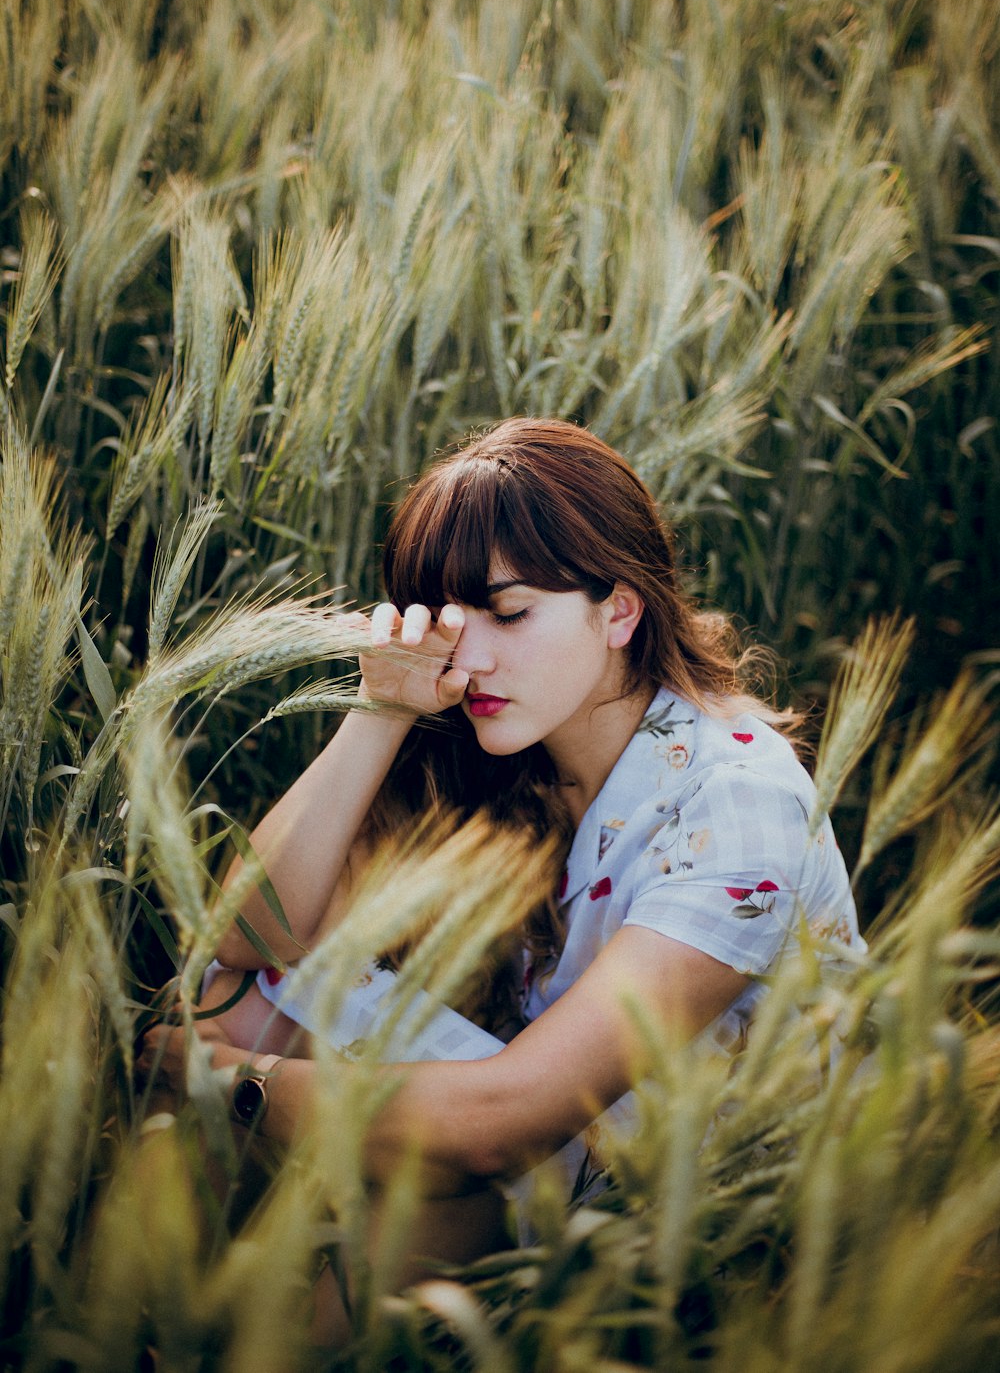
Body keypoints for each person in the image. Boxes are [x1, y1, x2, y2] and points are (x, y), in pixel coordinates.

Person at [138, 416, 862, 1306]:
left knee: (444, 1170)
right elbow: (250, 939)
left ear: (620, 611)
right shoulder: (505, 743)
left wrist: (239, 1089)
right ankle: (141, 1304)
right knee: (230, 996)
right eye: (444, 622)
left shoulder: (739, 806)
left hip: (709, 1223)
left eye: (509, 612)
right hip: (567, 1135)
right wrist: (381, 707)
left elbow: (504, 1124)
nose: (469, 657)